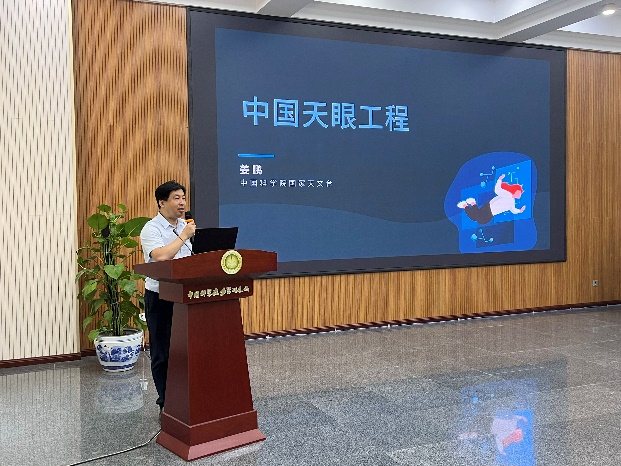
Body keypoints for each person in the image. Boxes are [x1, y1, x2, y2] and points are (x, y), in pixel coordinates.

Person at [140, 180, 196, 413]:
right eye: (176, 198)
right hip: (160, 297)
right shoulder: (151, 229)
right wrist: (183, 236)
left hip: (186, 295)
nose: (182, 202)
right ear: (161, 202)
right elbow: (161, 257)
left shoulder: (185, 225)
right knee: (162, 352)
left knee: (185, 350)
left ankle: (187, 396)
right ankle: (166, 401)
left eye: (183, 197)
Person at [457, 174, 525, 224]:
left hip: (492, 212)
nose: (520, 195)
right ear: (515, 191)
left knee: (476, 218)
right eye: (519, 192)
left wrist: (520, 211)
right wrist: (499, 180)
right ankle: (472, 203)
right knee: (480, 219)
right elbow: (497, 190)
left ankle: (466, 206)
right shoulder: (507, 194)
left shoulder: (512, 202)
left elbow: (513, 210)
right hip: (489, 207)